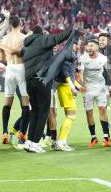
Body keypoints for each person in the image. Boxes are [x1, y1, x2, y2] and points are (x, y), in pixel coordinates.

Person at [22, 25, 74, 153]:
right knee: (43, 112)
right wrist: (73, 32)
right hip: (41, 80)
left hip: (29, 81)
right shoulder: (42, 40)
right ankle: (35, 143)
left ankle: (29, 142)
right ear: (42, 35)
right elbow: (59, 37)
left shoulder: (27, 45)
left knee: (34, 111)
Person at [0, 15, 29, 144]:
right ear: (20, 24)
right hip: (21, 68)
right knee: (25, 102)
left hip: (9, 68)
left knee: (7, 101)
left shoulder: (4, 38)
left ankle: (5, 132)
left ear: (10, 25)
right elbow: (25, 53)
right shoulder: (24, 37)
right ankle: (21, 133)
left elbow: (2, 59)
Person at [78, 35, 111, 147]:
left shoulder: (103, 59)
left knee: (102, 110)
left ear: (97, 47)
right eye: (87, 46)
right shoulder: (83, 58)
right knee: (89, 112)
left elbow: (109, 73)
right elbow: (80, 73)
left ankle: (106, 137)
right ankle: (93, 137)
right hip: (87, 89)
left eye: (91, 46)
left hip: (101, 88)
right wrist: (82, 84)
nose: (88, 47)